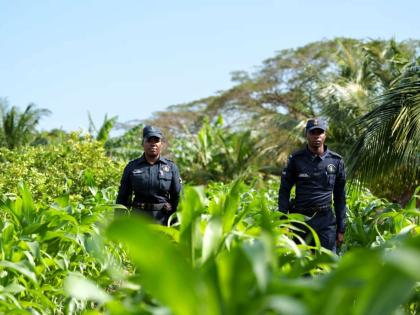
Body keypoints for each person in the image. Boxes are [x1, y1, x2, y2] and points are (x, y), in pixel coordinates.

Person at [278, 118, 346, 251]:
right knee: (302, 266)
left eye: (320, 132)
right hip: (301, 221)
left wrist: (341, 228)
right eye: (313, 133)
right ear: (306, 134)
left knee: (328, 265)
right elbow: (284, 191)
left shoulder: (336, 161)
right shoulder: (296, 160)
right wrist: (283, 221)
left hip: (325, 221)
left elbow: (340, 197)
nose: (316, 136)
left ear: (325, 135)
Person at [116, 125, 182, 225]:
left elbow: (177, 197)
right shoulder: (132, 167)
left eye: (156, 140)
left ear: (161, 144)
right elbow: (123, 197)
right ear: (143, 143)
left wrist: (175, 222)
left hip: (162, 221)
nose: (153, 144)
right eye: (149, 140)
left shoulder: (171, 167)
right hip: (138, 220)